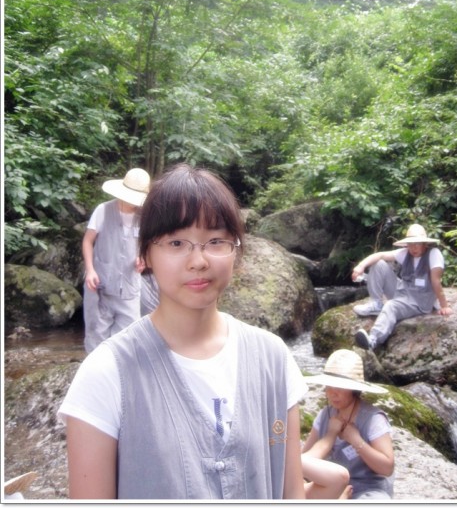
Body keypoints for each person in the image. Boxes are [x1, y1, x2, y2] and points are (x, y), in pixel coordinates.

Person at [59, 163, 307, 500]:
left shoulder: (273, 359)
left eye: (216, 241)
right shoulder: (105, 373)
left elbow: (292, 494)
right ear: (145, 254)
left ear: (236, 249)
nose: (198, 261)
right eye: (176, 242)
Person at [302, 349, 394, 500]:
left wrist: (356, 440)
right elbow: (304, 462)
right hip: (331, 488)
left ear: (354, 389)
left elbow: (387, 468)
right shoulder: (325, 415)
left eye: (339, 388)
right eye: (329, 387)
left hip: (368, 490)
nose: (333, 393)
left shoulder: (373, 419)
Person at [352, 223, 452, 351]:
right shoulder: (405, 253)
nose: (413, 248)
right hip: (402, 292)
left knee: (391, 306)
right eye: (410, 244)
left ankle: (373, 340)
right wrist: (360, 266)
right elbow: (380, 255)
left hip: (418, 301)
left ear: (424, 243)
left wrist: (444, 306)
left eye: (417, 244)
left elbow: (436, 281)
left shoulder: (434, 254)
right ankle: (376, 304)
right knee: (378, 264)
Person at [81, 167, 150, 353]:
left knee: (128, 340)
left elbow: (147, 246)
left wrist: (143, 258)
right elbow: (87, 241)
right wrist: (90, 270)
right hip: (100, 286)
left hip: (129, 289)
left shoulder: (144, 218)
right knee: (96, 339)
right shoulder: (103, 210)